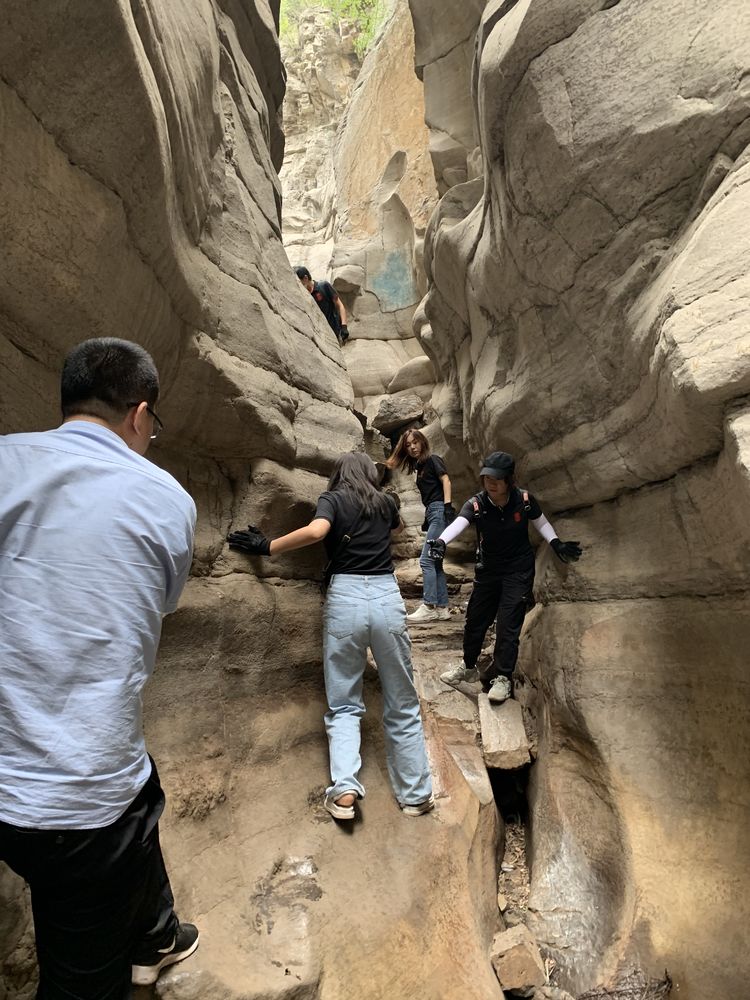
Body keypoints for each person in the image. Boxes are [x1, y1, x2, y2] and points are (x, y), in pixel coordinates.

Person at [0, 338, 199, 998]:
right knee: (82, 981)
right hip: (80, 808)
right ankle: (141, 947)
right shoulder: (165, 497)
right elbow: (159, 602)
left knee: (143, 789)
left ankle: (158, 933)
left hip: (20, 777)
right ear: (139, 415)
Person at [227, 452, 434, 821]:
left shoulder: (333, 499)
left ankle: (345, 792)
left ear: (339, 474)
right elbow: (398, 529)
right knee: (403, 700)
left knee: (344, 702)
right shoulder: (385, 503)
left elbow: (318, 531)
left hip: (346, 599)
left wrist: (267, 546)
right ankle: (416, 796)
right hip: (386, 598)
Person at [429, 451, 582, 704]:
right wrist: (441, 541)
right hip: (488, 570)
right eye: (487, 477)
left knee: (507, 625)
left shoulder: (524, 500)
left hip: (517, 571)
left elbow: (541, 522)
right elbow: (460, 522)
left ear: (509, 479)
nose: (491, 483)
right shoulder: (477, 504)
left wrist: (556, 543)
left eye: (496, 479)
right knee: (475, 621)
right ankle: (468, 667)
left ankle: (502, 678)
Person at [386, 429, 455, 624]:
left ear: (423, 442)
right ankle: (442, 608)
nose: (412, 447)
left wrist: (447, 507)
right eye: (408, 445)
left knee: (426, 560)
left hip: (439, 510)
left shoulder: (433, 459)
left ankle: (429, 606)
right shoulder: (420, 466)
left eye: (415, 442)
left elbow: (446, 480)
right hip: (433, 512)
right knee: (435, 562)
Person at [295, 265, 349, 344]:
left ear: (305, 278)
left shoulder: (323, 286)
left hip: (335, 332)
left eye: (300, 282)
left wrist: (344, 326)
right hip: (321, 336)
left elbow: (340, 305)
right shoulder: (304, 296)